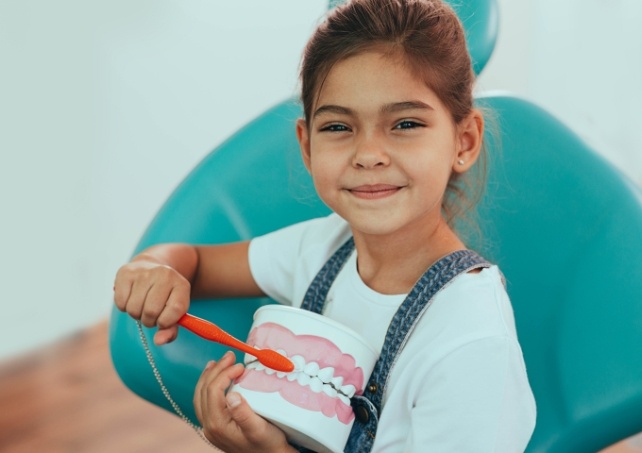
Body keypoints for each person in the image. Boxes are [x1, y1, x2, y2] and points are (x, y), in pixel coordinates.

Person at [113, 0, 537, 451]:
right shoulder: (321, 248)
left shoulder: (471, 338)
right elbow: (193, 262)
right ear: (307, 145)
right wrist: (152, 268)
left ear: (464, 141)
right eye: (338, 127)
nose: (368, 154)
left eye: (406, 123)